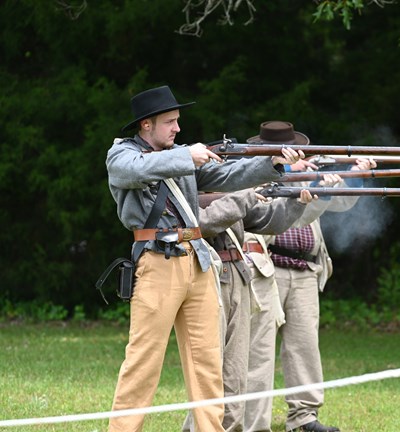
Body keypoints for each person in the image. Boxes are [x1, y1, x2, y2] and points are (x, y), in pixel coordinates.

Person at [105, 86, 302, 432]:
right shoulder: (123, 153)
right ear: (146, 125)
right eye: (169, 122)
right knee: (143, 362)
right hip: (157, 262)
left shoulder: (179, 155)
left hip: (197, 260)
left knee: (207, 363)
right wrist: (187, 157)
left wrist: (271, 163)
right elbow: (132, 172)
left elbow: (228, 177)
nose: (177, 129)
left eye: (178, 121)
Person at [244, 121, 376, 432]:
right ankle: (253, 422)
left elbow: (341, 202)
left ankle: (304, 418)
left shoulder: (309, 172)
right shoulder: (257, 180)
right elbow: (284, 216)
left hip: (305, 268)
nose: (301, 155)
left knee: (304, 347)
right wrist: (315, 187)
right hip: (267, 269)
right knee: (258, 350)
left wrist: (354, 176)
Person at [182, 186, 316, 432]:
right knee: (210, 368)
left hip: (237, 273)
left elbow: (266, 220)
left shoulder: (232, 190)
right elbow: (204, 223)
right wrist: (245, 195)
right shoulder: (187, 184)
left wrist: (296, 202)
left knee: (236, 371)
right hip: (206, 275)